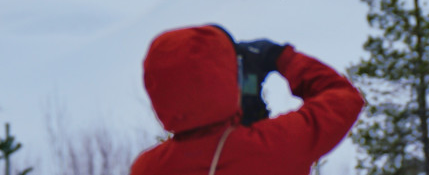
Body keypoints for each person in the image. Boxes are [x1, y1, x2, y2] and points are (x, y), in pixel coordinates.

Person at [130, 24, 364, 175]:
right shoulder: (276, 145)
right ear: (225, 79)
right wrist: (282, 58)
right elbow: (343, 97)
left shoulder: (147, 168)